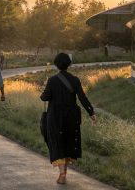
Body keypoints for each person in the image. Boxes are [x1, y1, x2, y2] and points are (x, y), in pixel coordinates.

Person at [40, 52, 96, 185]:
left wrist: (44, 91)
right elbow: (82, 98)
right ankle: (64, 173)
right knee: (68, 142)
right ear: (69, 65)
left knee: (58, 143)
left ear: (56, 64)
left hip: (56, 117)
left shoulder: (52, 80)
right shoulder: (75, 80)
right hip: (71, 116)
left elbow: (45, 97)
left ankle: (62, 174)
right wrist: (91, 113)